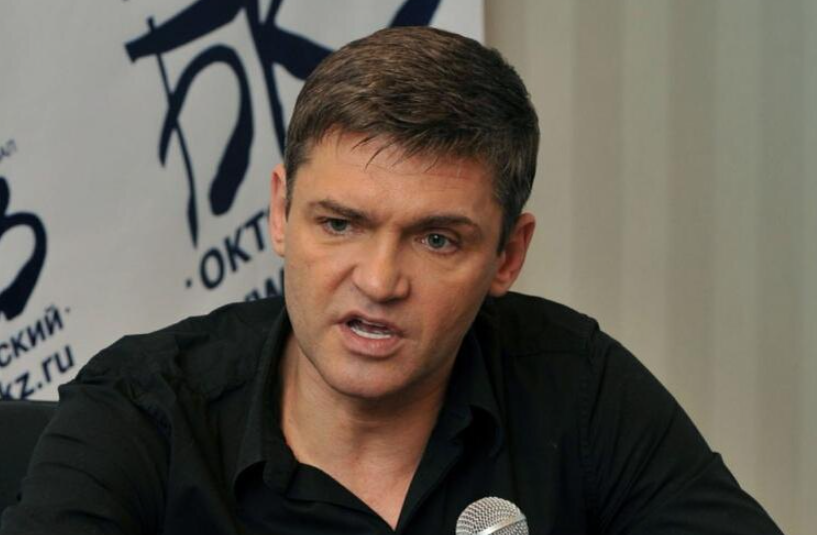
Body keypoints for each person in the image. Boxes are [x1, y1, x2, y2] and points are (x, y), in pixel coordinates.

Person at [1, 27, 783, 535]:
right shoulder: (142, 407)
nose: (378, 281)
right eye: (340, 224)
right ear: (280, 213)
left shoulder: (576, 383)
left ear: (507, 256)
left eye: (437, 239)